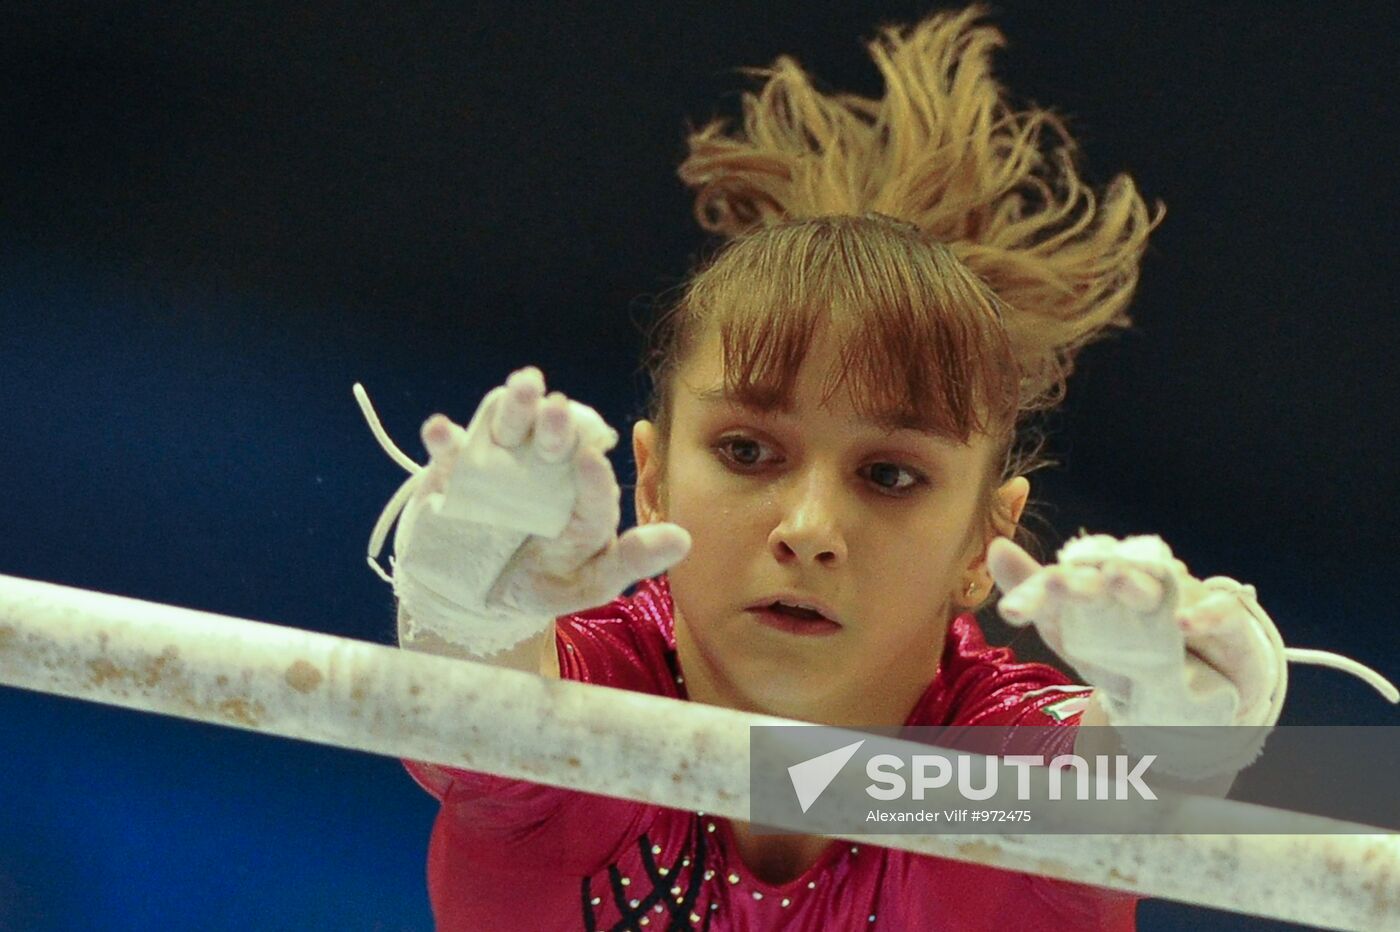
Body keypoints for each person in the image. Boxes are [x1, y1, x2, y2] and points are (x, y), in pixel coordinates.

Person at [356, 7, 1395, 929]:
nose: (808, 524)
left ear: (983, 543)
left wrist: (1185, 717)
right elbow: (464, 701)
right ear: (653, 479)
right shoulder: (566, 719)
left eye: (889, 475)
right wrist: (462, 588)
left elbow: (1113, 779)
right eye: (747, 450)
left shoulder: (989, 785)